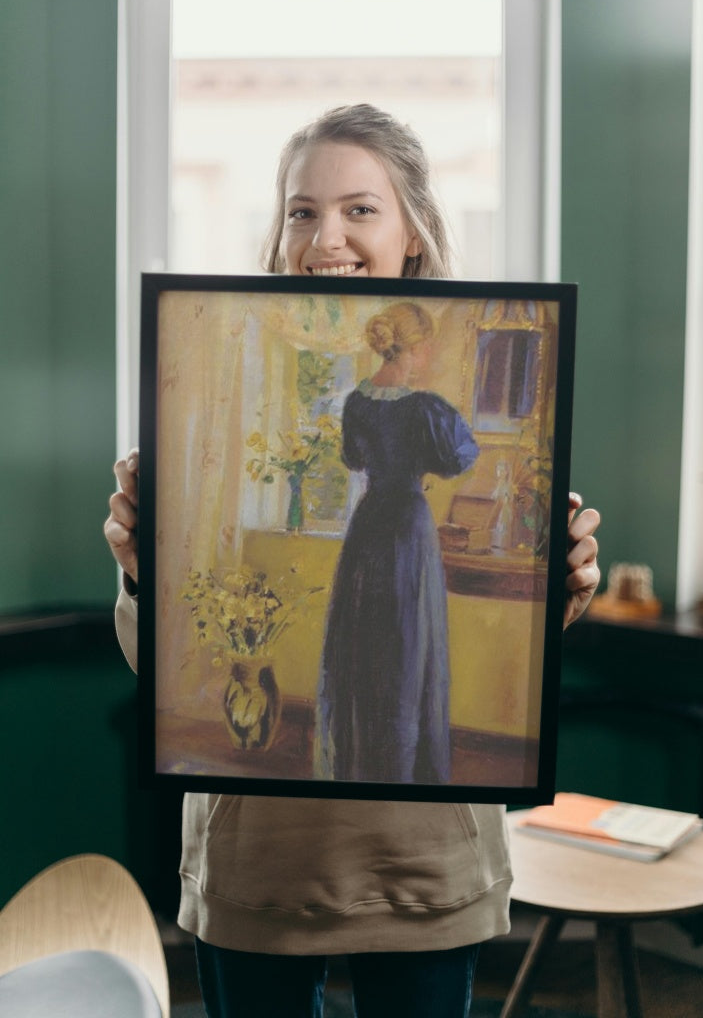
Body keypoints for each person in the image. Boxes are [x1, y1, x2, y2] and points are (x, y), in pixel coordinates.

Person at [105, 104, 601, 1018]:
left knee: (382, 648)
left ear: (413, 230)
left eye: (359, 209)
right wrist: (142, 572)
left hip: (422, 865)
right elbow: (157, 665)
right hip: (259, 867)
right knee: (392, 648)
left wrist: (560, 588)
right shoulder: (399, 398)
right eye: (301, 210)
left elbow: (356, 465)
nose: (324, 235)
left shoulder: (366, 407)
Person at [316, 302, 480, 785]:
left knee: (366, 642)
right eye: (426, 342)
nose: (429, 351)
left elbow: (352, 457)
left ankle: (363, 761)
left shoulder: (356, 403)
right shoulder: (424, 407)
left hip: (369, 528)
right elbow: (459, 457)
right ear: (413, 348)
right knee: (408, 642)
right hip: (408, 528)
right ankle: (406, 769)